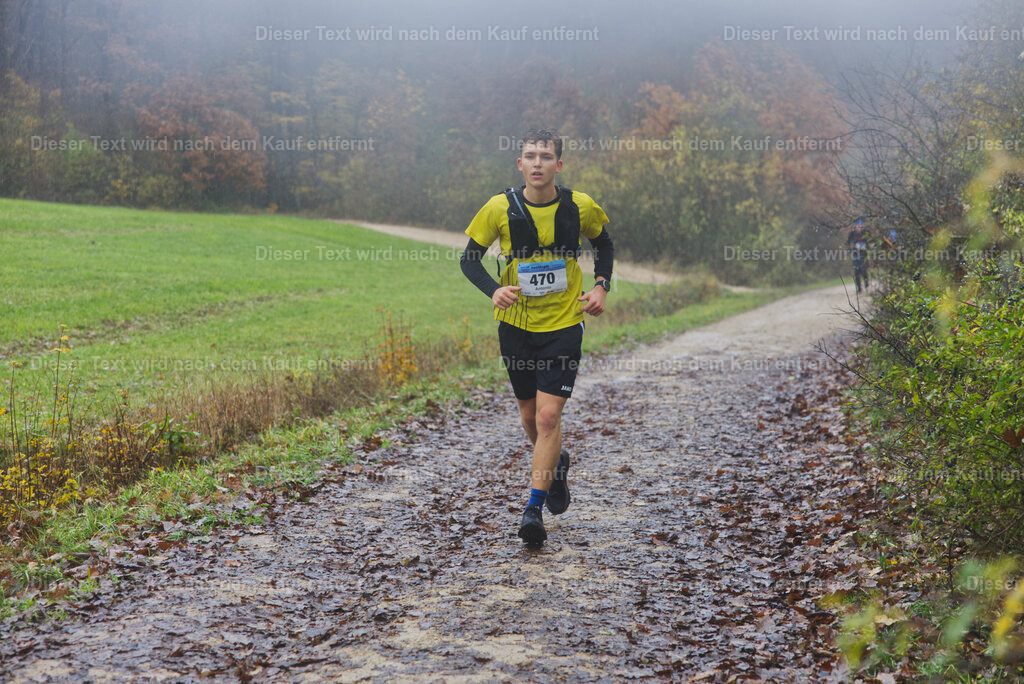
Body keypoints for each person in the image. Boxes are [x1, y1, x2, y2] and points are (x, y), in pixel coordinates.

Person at [460, 128, 614, 547]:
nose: (538, 163)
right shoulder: (498, 208)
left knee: (548, 418)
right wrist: (494, 289)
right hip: (517, 328)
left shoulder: (579, 206)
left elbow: (604, 244)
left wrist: (601, 286)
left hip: (564, 325)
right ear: (520, 164)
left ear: (558, 165)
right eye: (530, 155)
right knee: (530, 418)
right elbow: (468, 259)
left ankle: (533, 509)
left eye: (546, 156)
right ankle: (556, 464)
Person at [847, 219, 870, 294]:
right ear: (855, 226)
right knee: (856, 271)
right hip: (855, 254)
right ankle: (859, 288)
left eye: (861, 227)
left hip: (864, 254)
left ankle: (867, 285)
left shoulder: (866, 233)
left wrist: (868, 248)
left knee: (864, 270)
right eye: (858, 227)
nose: (859, 228)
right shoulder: (852, 234)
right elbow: (847, 243)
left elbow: (871, 241)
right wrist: (849, 250)